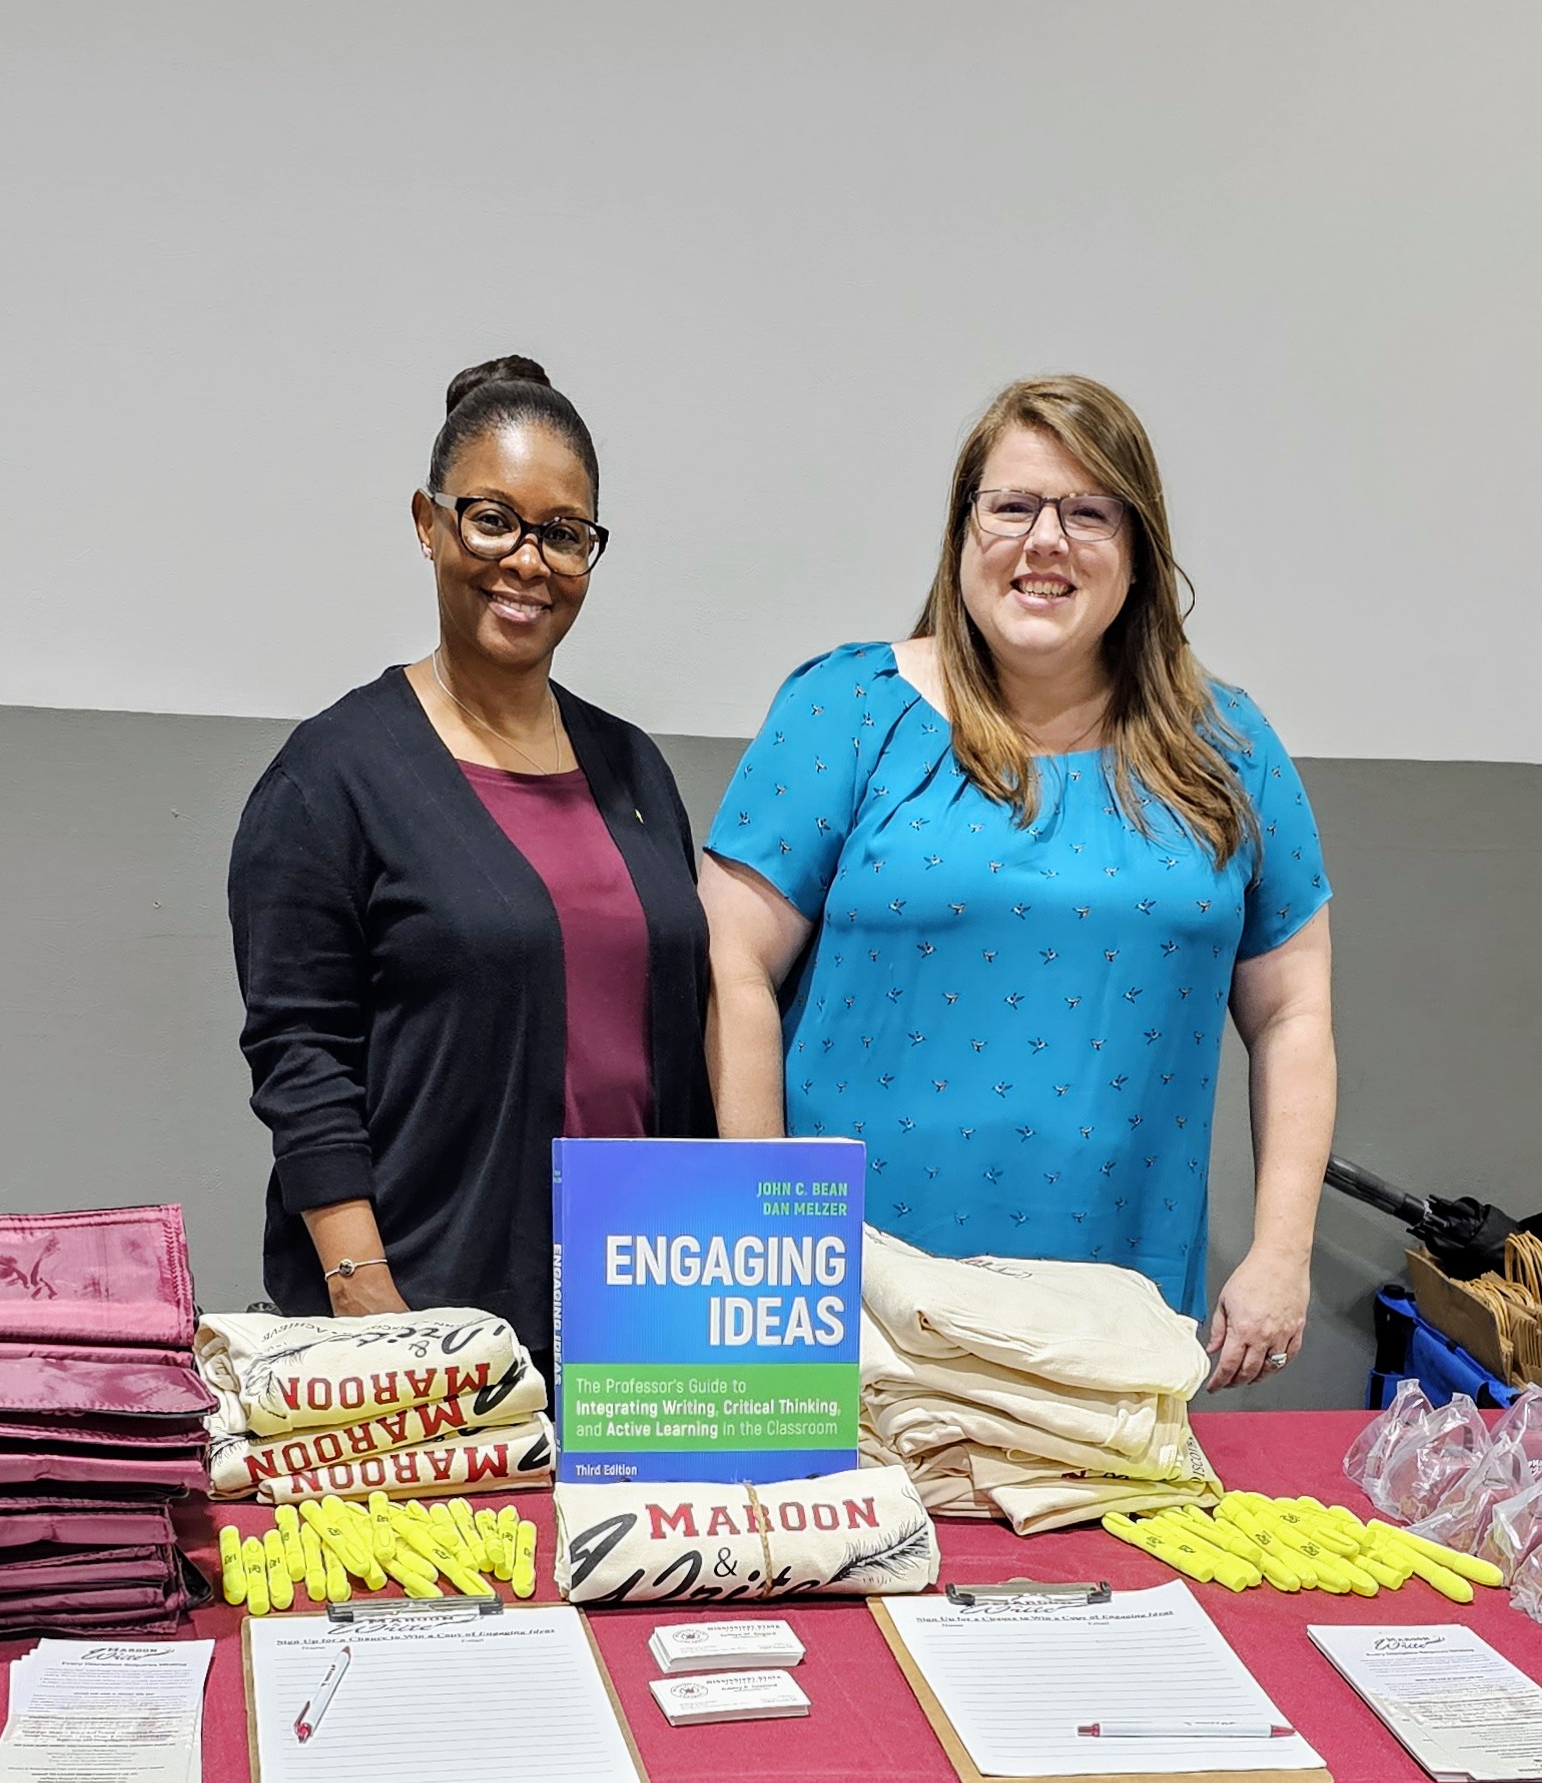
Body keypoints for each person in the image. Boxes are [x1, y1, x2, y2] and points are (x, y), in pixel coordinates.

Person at [701, 374, 1336, 1390]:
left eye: (1089, 512)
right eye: (1012, 506)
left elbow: (1293, 1008)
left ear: (1139, 548)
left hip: (1115, 1308)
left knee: (1101, 1554)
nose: (1046, 540)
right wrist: (764, 1226)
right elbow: (731, 964)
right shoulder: (846, 711)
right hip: (853, 1304)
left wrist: (1282, 1252)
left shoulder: (1232, 748)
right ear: (962, 532)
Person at [230, 356, 714, 1352]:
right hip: (430, 1319)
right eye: (492, 519)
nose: (527, 561)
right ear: (427, 522)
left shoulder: (632, 771)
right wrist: (370, 1308)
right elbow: (301, 1060)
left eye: (562, 534)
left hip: (641, 1331)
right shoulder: (330, 779)